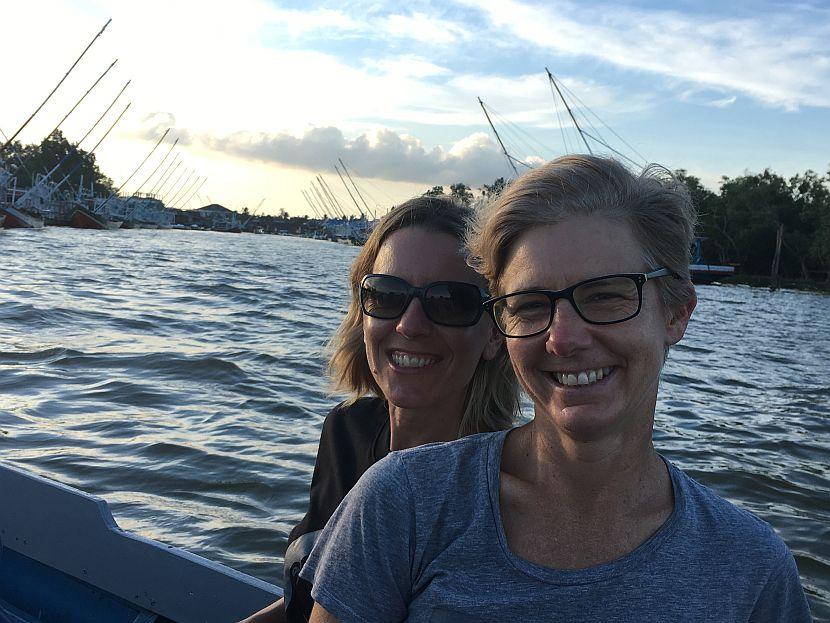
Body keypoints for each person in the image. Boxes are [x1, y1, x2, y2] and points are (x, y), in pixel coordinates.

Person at [301, 155, 812, 622]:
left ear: (676, 312)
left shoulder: (751, 569)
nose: (562, 338)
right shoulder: (403, 503)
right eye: (530, 304)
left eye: (607, 296)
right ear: (503, 329)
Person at [240, 195, 520, 623]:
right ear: (363, 313)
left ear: (495, 335)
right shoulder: (347, 430)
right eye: (387, 295)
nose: (409, 325)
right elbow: (308, 599)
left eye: (449, 302)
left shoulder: (505, 493)